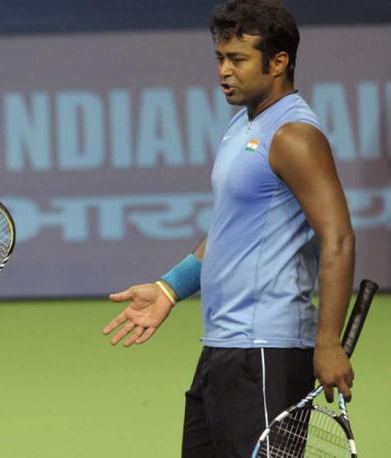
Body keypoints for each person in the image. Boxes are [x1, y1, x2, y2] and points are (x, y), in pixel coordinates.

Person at [102, 1, 355, 456]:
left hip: (266, 352)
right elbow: (226, 230)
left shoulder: (294, 136)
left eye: (238, 59)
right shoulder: (243, 125)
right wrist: (168, 289)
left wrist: (328, 342)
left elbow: (337, 237)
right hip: (222, 347)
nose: (224, 71)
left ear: (278, 62)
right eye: (220, 58)